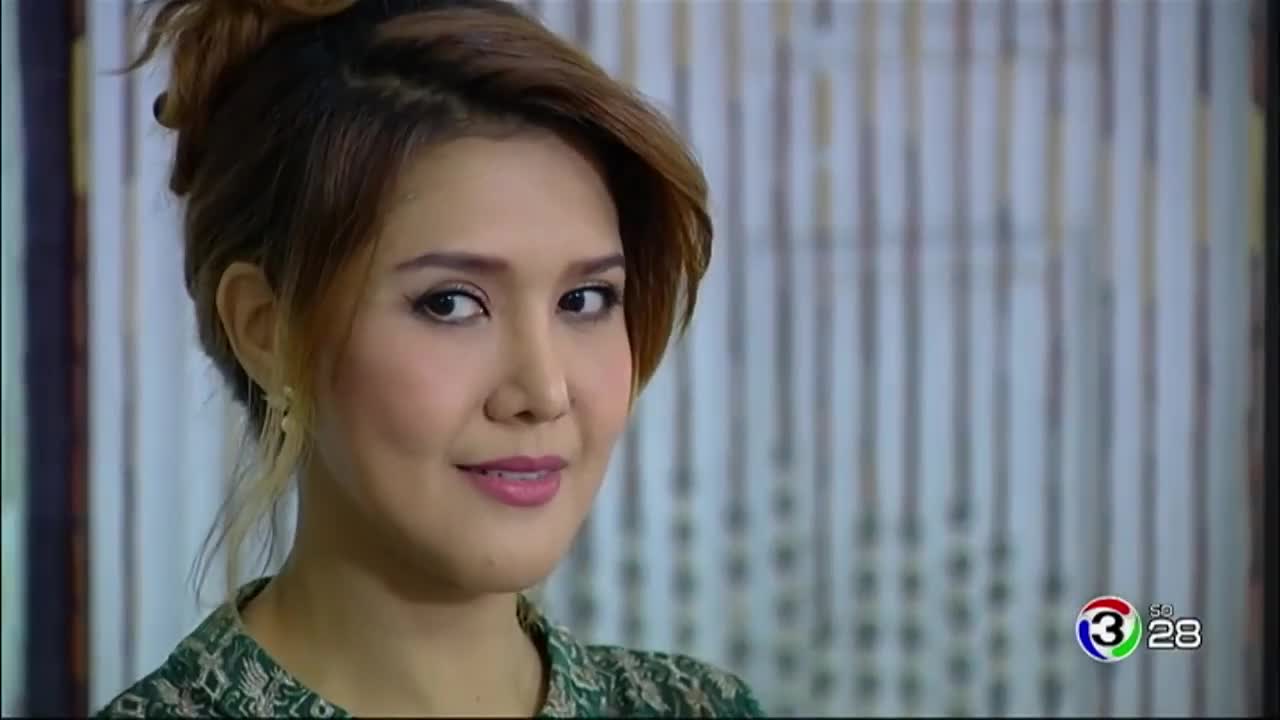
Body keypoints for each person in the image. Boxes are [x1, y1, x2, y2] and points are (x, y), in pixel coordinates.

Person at [96, 0, 762, 716]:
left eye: (585, 300)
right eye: (451, 304)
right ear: (268, 332)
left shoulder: (695, 706)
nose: (544, 391)